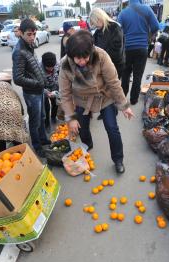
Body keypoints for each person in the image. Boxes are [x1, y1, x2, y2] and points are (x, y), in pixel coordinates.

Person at [59, 30, 135, 174]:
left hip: (104, 96)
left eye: (85, 57)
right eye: (77, 58)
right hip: (82, 99)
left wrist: (124, 106)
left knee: (112, 128)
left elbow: (113, 82)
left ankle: (118, 159)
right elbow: (65, 93)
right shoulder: (65, 64)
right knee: (82, 127)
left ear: (91, 51)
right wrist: (71, 118)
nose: (81, 61)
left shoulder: (101, 56)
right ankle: (87, 145)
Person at [12, 19, 50, 157]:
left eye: (34, 34)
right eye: (29, 34)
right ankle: (37, 146)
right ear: (21, 33)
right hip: (31, 93)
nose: (32, 37)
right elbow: (17, 78)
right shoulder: (19, 51)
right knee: (35, 122)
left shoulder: (29, 46)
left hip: (39, 91)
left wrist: (43, 81)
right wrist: (37, 83)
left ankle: (44, 140)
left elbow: (34, 67)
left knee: (42, 117)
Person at [117, 0, 159, 105]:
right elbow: (156, 26)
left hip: (126, 49)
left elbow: (118, 30)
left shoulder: (123, 12)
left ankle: (123, 98)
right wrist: (148, 35)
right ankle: (134, 100)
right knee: (137, 76)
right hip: (141, 48)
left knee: (125, 75)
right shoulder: (147, 9)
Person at [90, 8, 125, 79]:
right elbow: (92, 46)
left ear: (100, 18)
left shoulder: (115, 28)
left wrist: (101, 57)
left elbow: (117, 51)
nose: (95, 25)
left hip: (115, 66)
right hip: (102, 66)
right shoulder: (98, 31)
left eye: (95, 22)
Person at [41, 52, 60, 128]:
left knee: (55, 104)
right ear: (43, 64)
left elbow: (61, 76)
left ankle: (53, 117)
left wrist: (57, 90)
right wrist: (46, 92)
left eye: (52, 67)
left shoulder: (57, 64)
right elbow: (37, 85)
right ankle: (46, 123)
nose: (51, 69)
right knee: (46, 107)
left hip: (54, 87)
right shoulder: (38, 69)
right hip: (44, 89)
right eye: (48, 68)